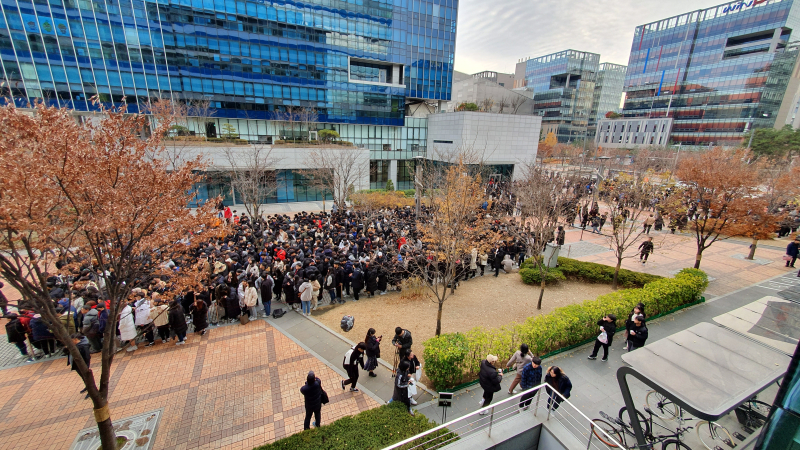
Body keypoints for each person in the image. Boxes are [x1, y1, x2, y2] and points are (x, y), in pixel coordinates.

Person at [69, 333, 92, 399]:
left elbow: (87, 358)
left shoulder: (83, 347)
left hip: (82, 366)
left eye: (71, 341)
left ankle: (91, 391)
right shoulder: (76, 346)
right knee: (83, 377)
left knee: (87, 378)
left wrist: (86, 367)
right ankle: (87, 387)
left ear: (76, 339)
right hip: (77, 365)